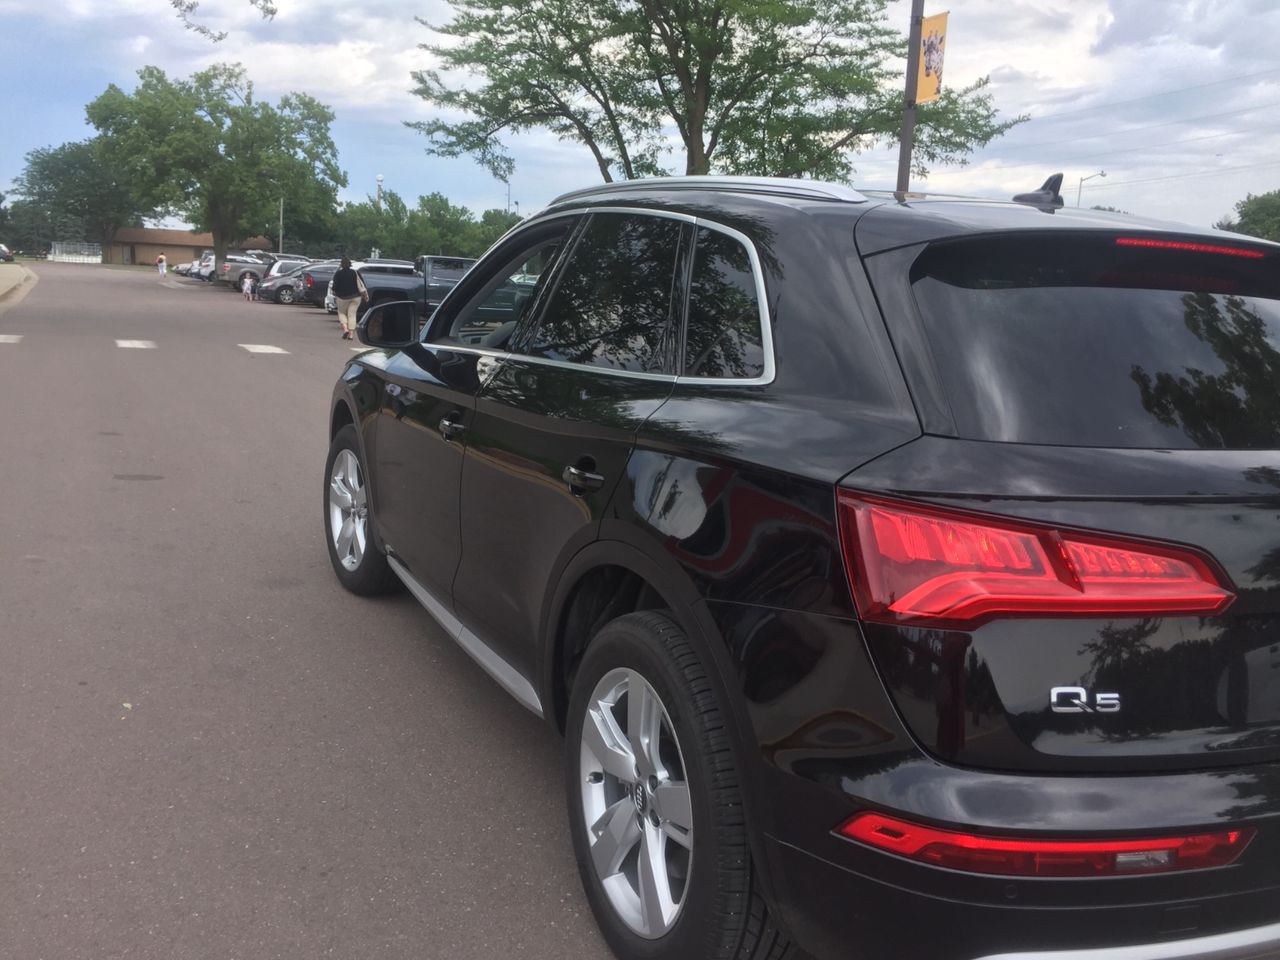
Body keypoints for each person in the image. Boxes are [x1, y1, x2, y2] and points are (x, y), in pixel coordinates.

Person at [331, 257, 367, 340]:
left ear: (341, 265)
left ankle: (345, 329)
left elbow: (335, 286)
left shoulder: (338, 273)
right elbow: (362, 284)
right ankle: (351, 334)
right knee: (352, 314)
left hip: (342, 297)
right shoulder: (355, 273)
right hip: (356, 297)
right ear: (350, 264)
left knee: (342, 313)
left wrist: (334, 291)